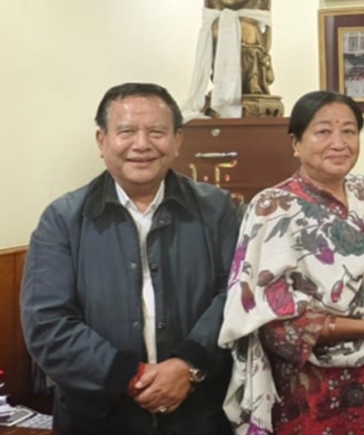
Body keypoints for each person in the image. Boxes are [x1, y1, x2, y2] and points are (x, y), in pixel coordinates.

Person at [21, 83, 239, 434]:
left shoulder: (217, 209)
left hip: (199, 415)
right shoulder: (63, 219)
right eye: (126, 132)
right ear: (102, 141)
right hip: (97, 420)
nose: (142, 144)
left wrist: (188, 366)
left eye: (157, 132)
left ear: (178, 140)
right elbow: (47, 323)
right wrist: (130, 377)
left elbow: (237, 296)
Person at [218, 91, 364, 435]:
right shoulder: (273, 208)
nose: (339, 143)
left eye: (349, 131)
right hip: (310, 387)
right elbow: (270, 321)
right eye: (323, 131)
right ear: (296, 143)